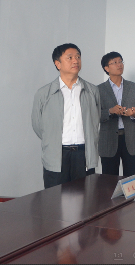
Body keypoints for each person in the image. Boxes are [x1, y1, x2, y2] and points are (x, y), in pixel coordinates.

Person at [32, 43, 100, 189]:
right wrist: (52, 140)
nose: (75, 61)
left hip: (84, 154)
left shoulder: (92, 91)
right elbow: (38, 125)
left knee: (85, 198)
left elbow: (96, 120)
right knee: (55, 198)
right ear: (58, 64)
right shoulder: (44, 93)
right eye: (70, 57)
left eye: (78, 57)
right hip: (57, 154)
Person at [98, 51, 135, 177]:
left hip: (131, 139)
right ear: (106, 68)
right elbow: (94, 115)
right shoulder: (98, 90)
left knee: (133, 180)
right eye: (114, 62)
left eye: (120, 61)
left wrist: (134, 114)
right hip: (108, 140)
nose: (119, 65)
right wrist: (110, 111)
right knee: (109, 181)